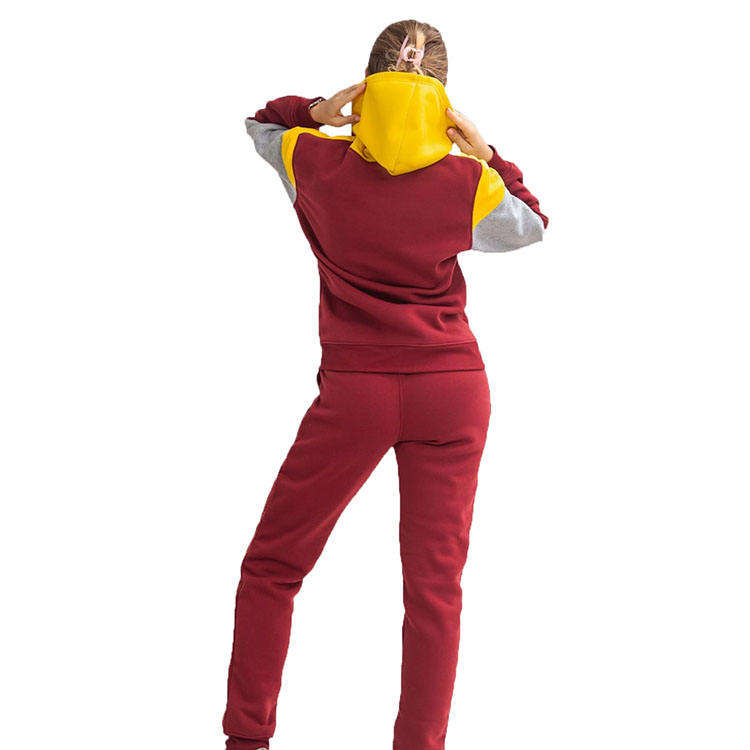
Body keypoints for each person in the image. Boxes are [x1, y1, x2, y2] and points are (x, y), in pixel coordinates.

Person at [223, 18, 548, 750]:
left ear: (368, 89)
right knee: (434, 592)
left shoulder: (313, 161)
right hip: (453, 392)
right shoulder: (468, 183)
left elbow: (261, 123)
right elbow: (531, 223)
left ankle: (247, 740)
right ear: (442, 101)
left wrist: (321, 110)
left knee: (273, 566)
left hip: (356, 393)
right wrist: (482, 149)